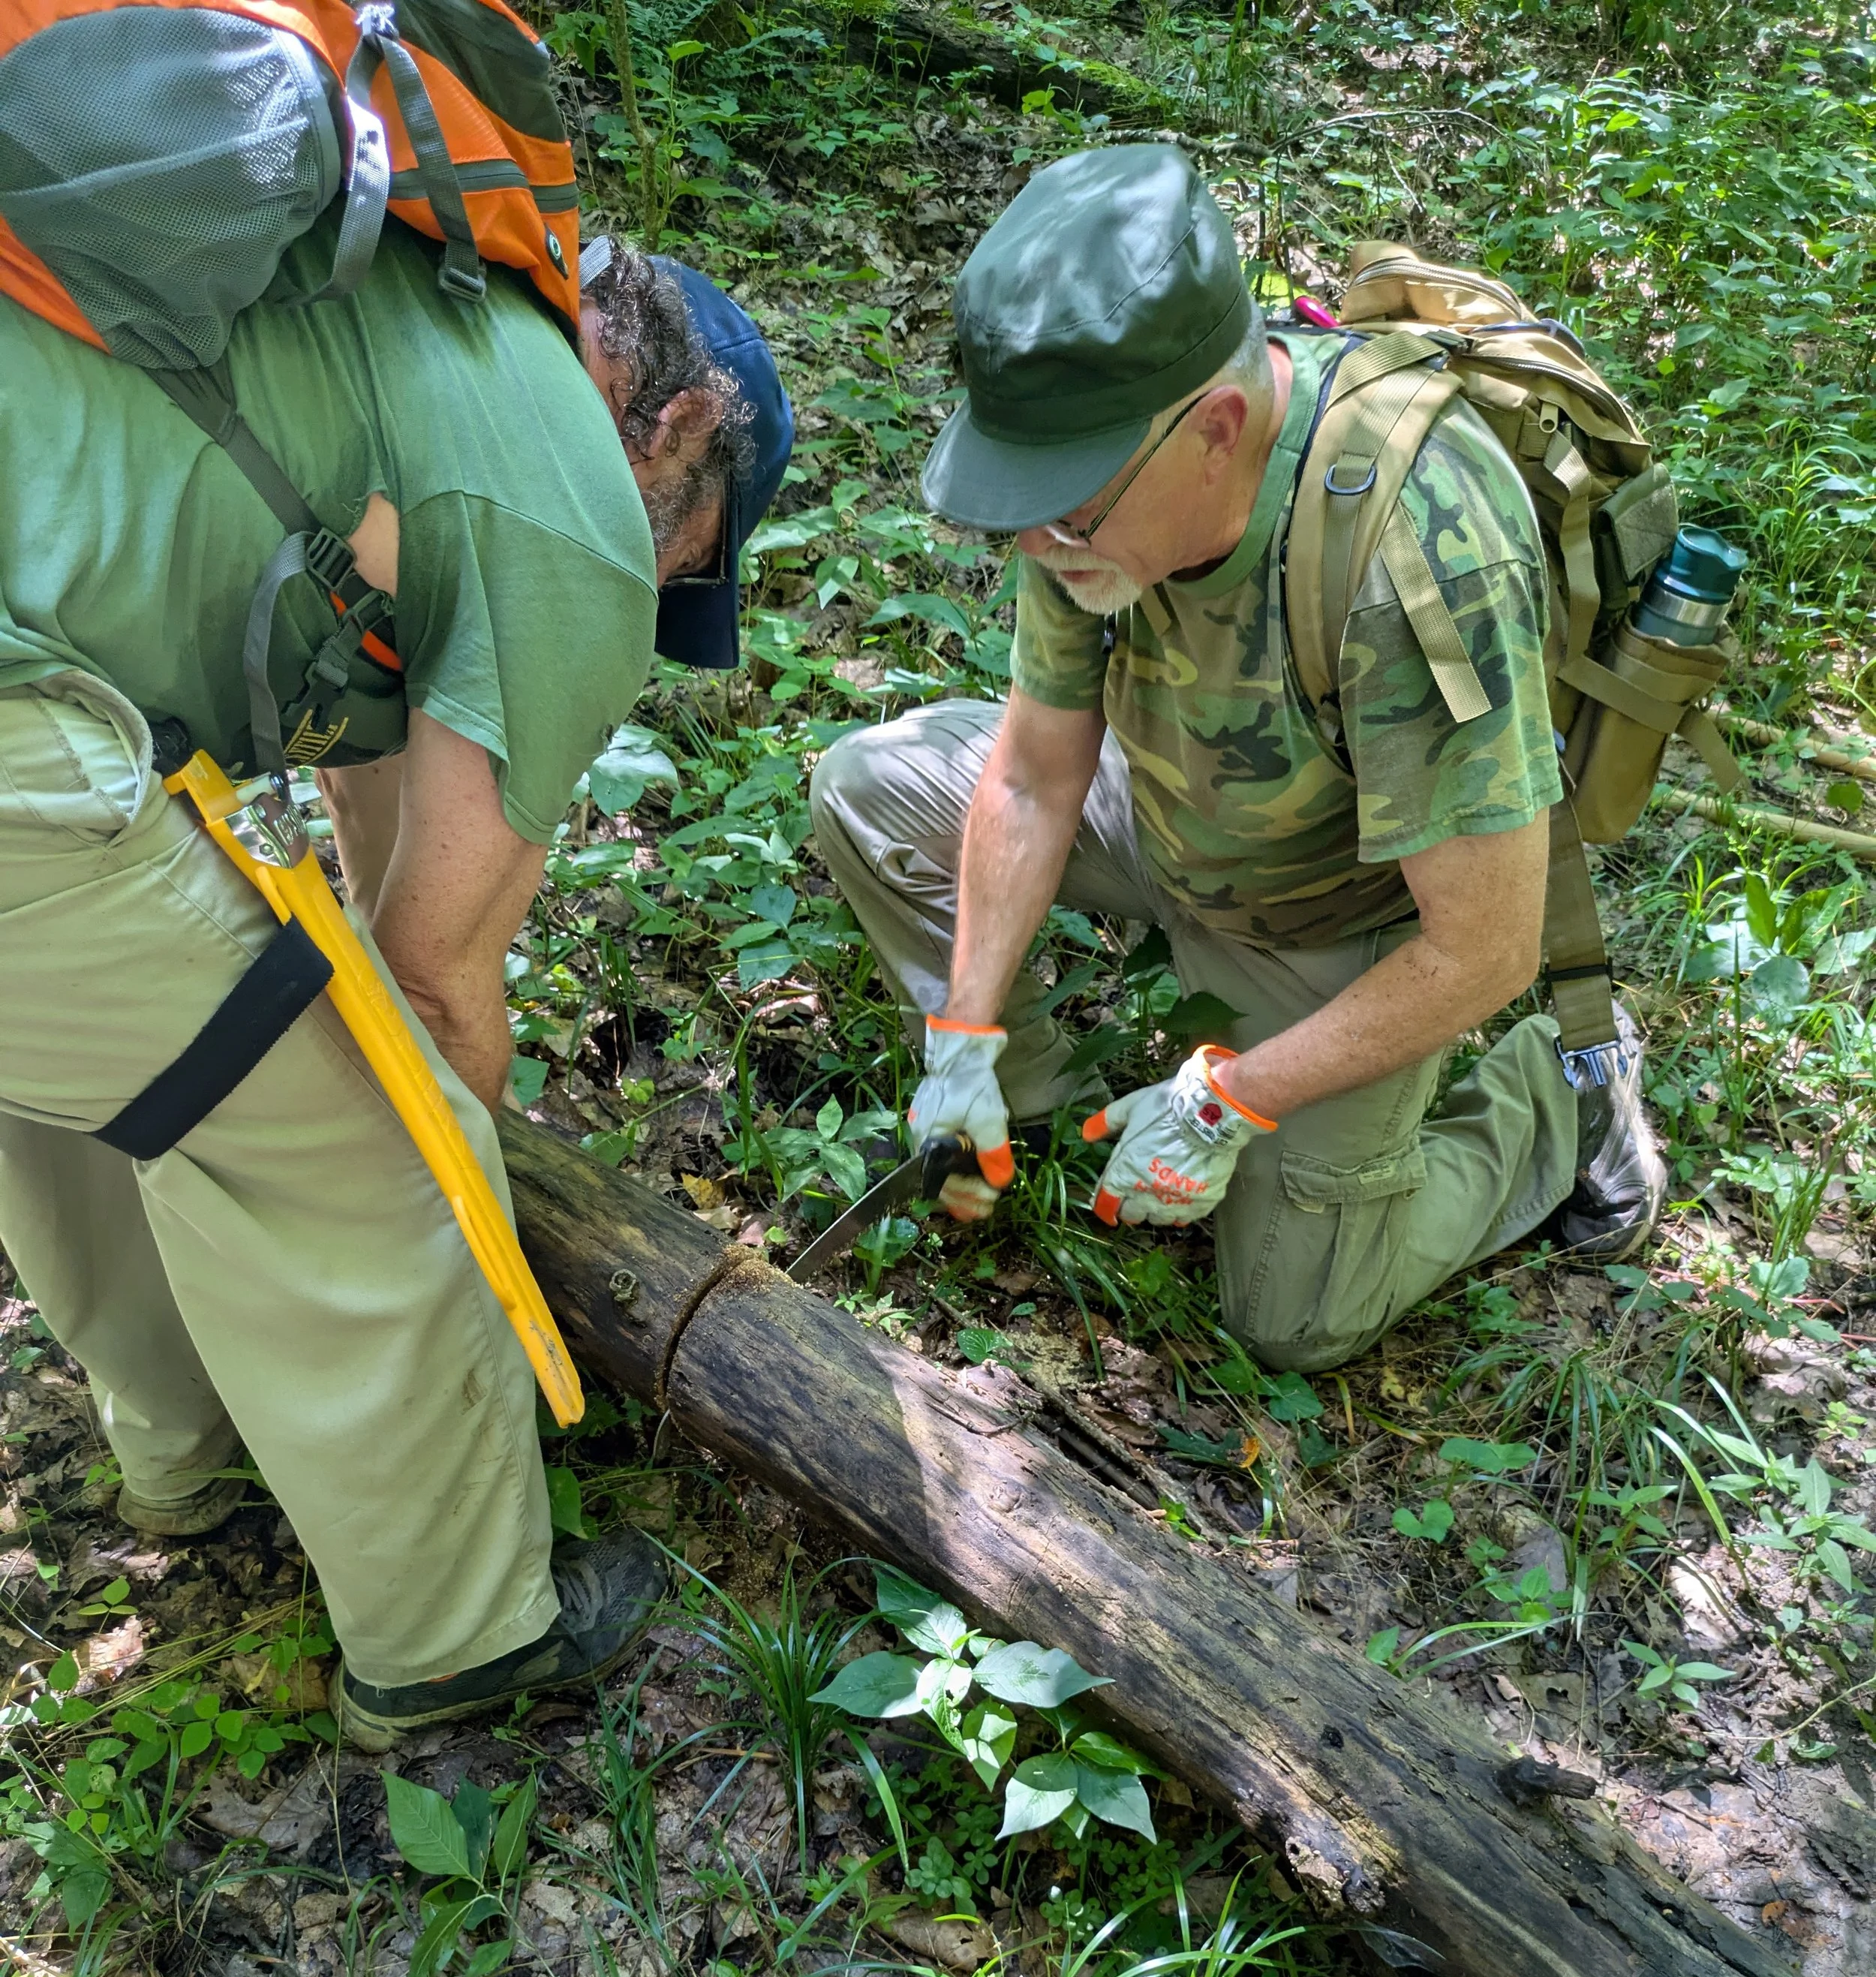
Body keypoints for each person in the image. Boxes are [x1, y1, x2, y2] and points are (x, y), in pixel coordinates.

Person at [0, 216, 789, 1750]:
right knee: (356, 1151)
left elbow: (367, 803)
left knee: (106, 1063)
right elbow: (429, 978)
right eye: (688, 556)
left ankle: (199, 1448)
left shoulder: (404, 338)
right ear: (678, 426)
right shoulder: (572, 499)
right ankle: (458, 1642)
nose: (661, 584)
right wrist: (446, 1154)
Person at [810, 144, 1664, 1377]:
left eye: (1065, 513)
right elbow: (1036, 772)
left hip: (1339, 908)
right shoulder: (1091, 494)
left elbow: (1483, 945)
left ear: (1215, 429)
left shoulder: (1411, 554)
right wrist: (963, 1035)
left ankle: (1563, 1090)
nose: (1035, 543)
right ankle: (1030, 1117)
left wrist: (1231, 1098)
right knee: (868, 790)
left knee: (1294, 1316)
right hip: (1165, 812)